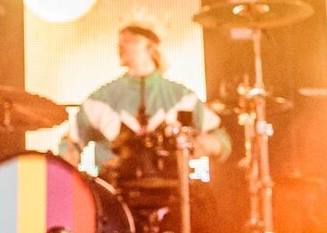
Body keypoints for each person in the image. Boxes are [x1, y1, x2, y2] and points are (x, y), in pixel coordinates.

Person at [58, 23, 230, 177]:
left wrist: (211, 143)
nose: (122, 46)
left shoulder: (183, 97)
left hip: (172, 190)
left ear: (150, 47)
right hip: (114, 192)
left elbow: (221, 138)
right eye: (120, 42)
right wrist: (67, 159)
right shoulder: (99, 100)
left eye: (130, 40)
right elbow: (71, 141)